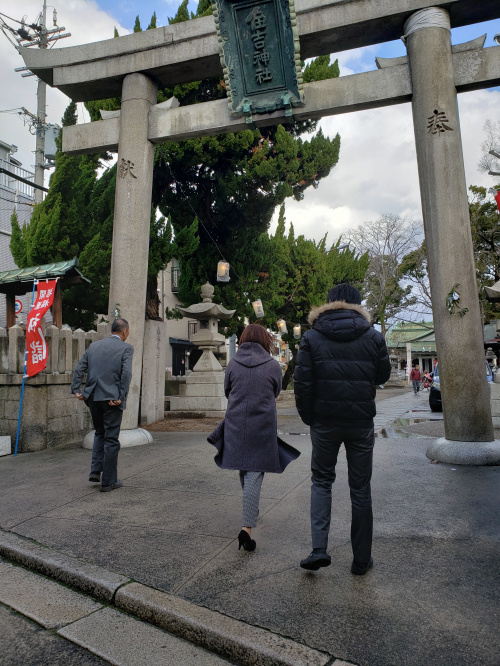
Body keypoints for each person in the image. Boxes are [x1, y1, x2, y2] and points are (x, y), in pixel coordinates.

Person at [294, 283, 391, 575]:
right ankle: (361, 559)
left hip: (324, 421)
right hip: (360, 422)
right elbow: (383, 375)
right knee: (360, 488)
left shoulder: (312, 337)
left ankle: (319, 549)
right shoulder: (373, 336)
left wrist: (310, 418)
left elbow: (302, 382)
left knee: (321, 481)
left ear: (329, 303)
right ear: (357, 305)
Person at [209, 324, 300, 552]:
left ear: (243, 340)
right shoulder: (272, 366)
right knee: (255, 471)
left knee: (245, 468)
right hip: (262, 425)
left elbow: (228, 391)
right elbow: (276, 391)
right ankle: (246, 528)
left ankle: (251, 508)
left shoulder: (233, 364)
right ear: (264, 341)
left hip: (236, 423)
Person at [71, 318, 134, 492]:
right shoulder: (126, 348)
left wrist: (76, 390)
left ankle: (95, 471)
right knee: (111, 438)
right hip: (112, 399)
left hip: (92, 397)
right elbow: (126, 374)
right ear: (125, 331)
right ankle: (108, 481)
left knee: (100, 433)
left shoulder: (94, 346)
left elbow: (79, 368)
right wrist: (121, 396)